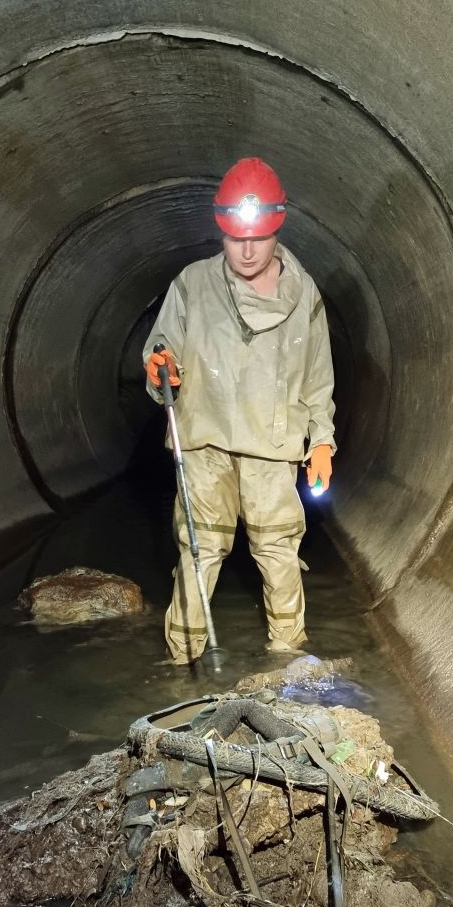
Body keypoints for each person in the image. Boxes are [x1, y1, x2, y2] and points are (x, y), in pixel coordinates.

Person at [144, 157, 336, 665]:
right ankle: (181, 663)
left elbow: (319, 378)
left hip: (272, 447)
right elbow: (161, 349)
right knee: (200, 551)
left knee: (277, 552)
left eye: (257, 238)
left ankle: (287, 662)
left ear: (277, 229)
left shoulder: (305, 295)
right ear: (221, 232)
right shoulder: (192, 284)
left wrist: (321, 440)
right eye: (235, 239)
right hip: (203, 441)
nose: (247, 250)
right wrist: (159, 365)